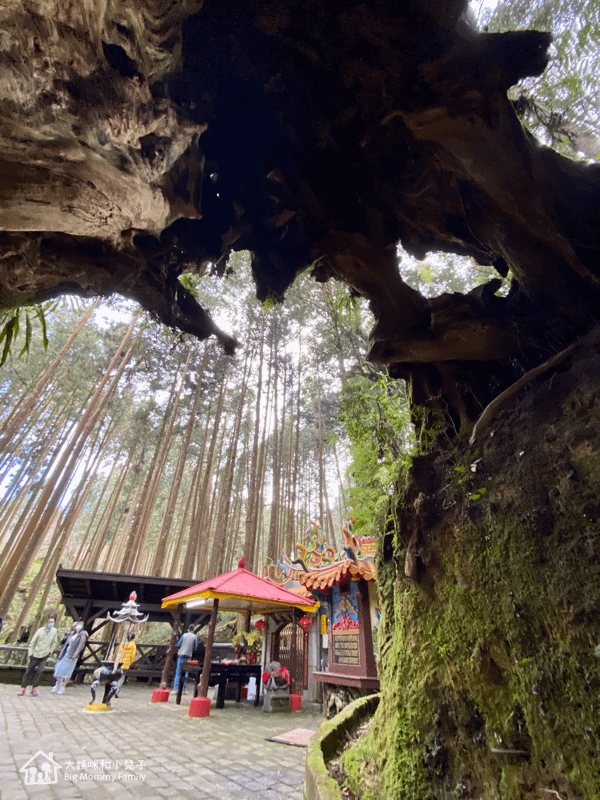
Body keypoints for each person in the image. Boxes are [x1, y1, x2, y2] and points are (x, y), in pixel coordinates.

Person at [18, 617, 59, 696]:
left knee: (40, 672)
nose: (51, 624)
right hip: (35, 654)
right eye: (50, 622)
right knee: (29, 671)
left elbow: (54, 642)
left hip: (45, 655)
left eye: (53, 622)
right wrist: (31, 653)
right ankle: (23, 687)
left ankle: (34, 688)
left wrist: (50, 651)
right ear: (46, 622)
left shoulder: (54, 631)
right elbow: (33, 642)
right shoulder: (40, 630)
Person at [52, 622, 87, 694]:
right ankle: (58, 684)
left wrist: (75, 655)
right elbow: (65, 643)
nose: (75, 627)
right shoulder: (72, 633)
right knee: (58, 669)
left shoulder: (83, 634)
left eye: (77, 626)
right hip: (65, 653)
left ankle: (62, 687)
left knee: (67, 672)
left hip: (72, 655)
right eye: (75, 626)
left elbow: (80, 646)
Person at [172, 625, 197, 695]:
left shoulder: (184, 635)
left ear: (188, 629)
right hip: (188, 656)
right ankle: (183, 689)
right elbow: (195, 647)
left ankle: (175, 689)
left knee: (178, 672)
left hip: (181, 655)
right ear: (194, 629)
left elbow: (178, 644)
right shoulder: (195, 637)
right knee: (186, 673)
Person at [113, 632, 136, 696]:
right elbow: (132, 655)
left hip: (119, 662)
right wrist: (130, 662)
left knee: (116, 675)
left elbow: (118, 652)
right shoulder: (133, 645)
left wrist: (116, 660)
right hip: (126, 663)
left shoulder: (122, 644)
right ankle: (117, 689)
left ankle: (113, 687)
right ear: (133, 638)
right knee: (122, 677)